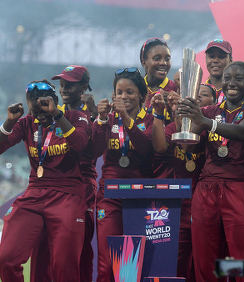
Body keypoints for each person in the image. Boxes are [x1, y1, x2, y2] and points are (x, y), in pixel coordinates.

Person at [177, 61, 244, 282]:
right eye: (227, 78)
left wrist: (205, 122)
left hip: (240, 188)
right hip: (206, 187)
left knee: (242, 261)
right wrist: (184, 117)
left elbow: (243, 131)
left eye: (238, 78)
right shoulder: (210, 111)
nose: (231, 83)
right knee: (205, 260)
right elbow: (187, 145)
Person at [0, 80, 91, 281]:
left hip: (68, 195)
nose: (38, 107)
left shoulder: (75, 117)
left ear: (55, 100)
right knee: (6, 258)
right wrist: (9, 122)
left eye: (43, 101)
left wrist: (57, 115)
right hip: (34, 194)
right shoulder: (26, 124)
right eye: (33, 102)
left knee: (63, 266)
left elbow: (81, 144)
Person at [30, 65, 98, 282]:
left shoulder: (88, 114)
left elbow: (85, 146)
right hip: (53, 189)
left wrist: (94, 114)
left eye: (71, 82)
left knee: (78, 252)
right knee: (43, 250)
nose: (65, 87)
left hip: (82, 188)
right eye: (62, 83)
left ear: (84, 86)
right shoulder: (53, 113)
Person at [150, 83, 216, 281]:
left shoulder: (207, 131)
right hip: (177, 207)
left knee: (202, 262)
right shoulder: (171, 129)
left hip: (202, 203)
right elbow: (160, 147)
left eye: (201, 97)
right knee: (177, 262)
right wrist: (159, 114)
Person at [93, 68, 153, 282]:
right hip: (110, 197)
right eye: (119, 92)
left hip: (139, 198)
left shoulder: (150, 120)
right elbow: (94, 150)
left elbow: (147, 150)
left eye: (129, 92)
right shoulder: (107, 120)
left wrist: (127, 119)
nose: (124, 96)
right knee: (107, 263)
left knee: (129, 266)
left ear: (141, 96)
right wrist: (99, 120)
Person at [140, 37, 179, 117]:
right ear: (143, 61)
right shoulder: (135, 89)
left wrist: (174, 107)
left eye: (167, 59)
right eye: (157, 59)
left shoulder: (176, 90)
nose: (163, 63)